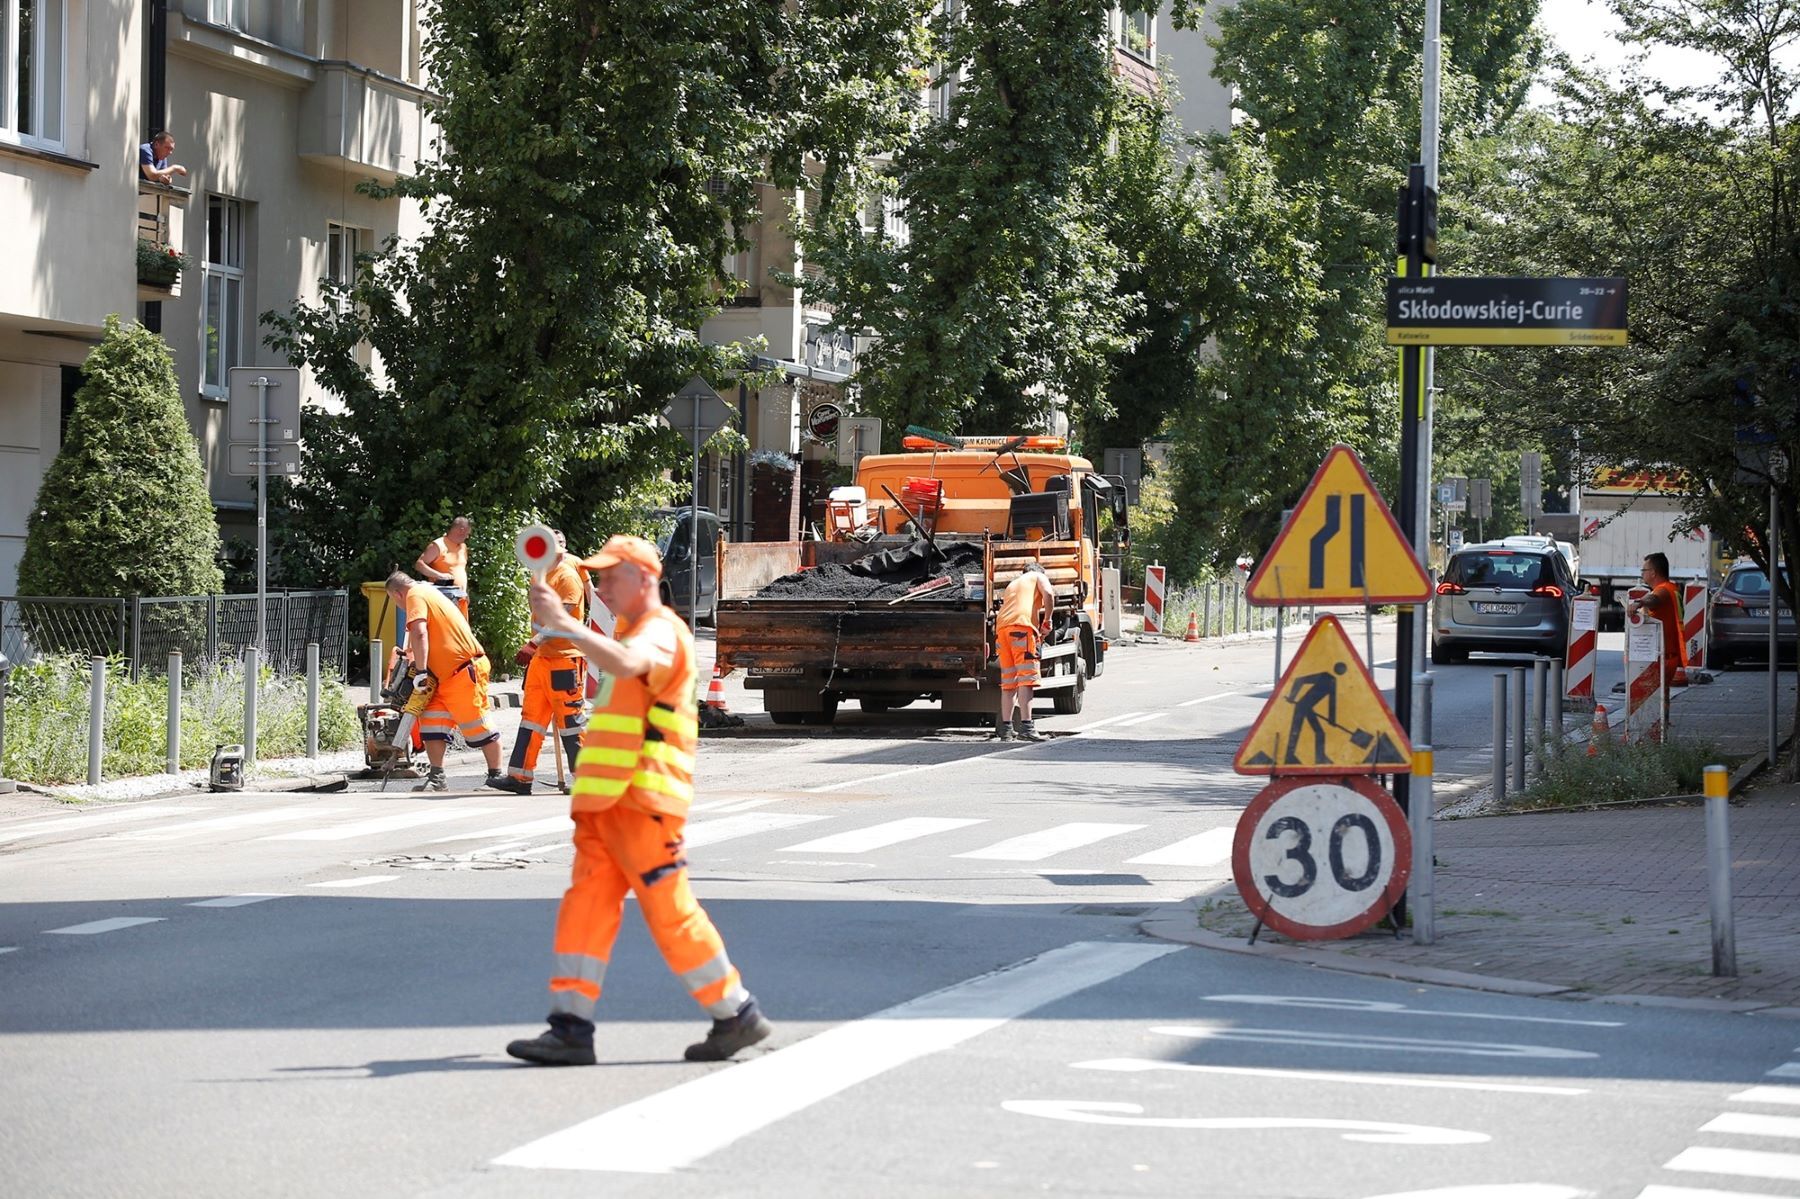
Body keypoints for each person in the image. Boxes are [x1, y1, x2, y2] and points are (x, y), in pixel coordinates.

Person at [505, 535, 772, 1067]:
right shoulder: (632, 632)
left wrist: (565, 623)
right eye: (598, 575)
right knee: (585, 909)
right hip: (608, 808)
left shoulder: (662, 633)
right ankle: (570, 1028)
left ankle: (736, 1013)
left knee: (669, 913)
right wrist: (565, 629)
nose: (600, 585)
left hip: (643, 802)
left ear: (645, 579)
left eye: (610, 575)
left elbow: (629, 664)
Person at [488, 530, 587, 795]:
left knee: (570, 722)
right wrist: (535, 647)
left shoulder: (568, 578)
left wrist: (533, 643)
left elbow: (560, 618)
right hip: (542, 660)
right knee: (531, 719)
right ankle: (520, 778)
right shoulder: (540, 575)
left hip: (565, 660)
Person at [385, 570, 503, 791]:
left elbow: (420, 633)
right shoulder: (428, 592)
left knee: (477, 723)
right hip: (443, 675)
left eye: (394, 601)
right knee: (432, 724)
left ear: (397, 594)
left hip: (462, 672)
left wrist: (420, 671)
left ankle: (496, 777)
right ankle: (437, 776)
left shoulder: (414, 595)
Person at [994, 561, 1056, 742]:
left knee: (1009, 682)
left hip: (1003, 631)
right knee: (1026, 680)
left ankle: (1006, 729)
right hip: (1022, 630)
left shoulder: (1013, 584)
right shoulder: (1038, 576)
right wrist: (1048, 621)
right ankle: (1027, 727)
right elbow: (1049, 594)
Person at [1627, 551, 1688, 685]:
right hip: (1666, 654)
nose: (1642, 573)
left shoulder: (1664, 590)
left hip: (1662, 656)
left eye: (1644, 570)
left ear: (1653, 573)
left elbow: (1653, 599)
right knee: (1662, 698)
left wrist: (1639, 602)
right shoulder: (1672, 589)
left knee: (1653, 699)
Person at [417, 516, 473, 617]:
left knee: (461, 631)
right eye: (467, 534)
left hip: (461, 598)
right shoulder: (438, 545)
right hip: (443, 597)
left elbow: (461, 571)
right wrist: (439, 575)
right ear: (461, 530)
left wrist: (466, 592)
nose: (467, 537)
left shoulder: (463, 547)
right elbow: (419, 564)